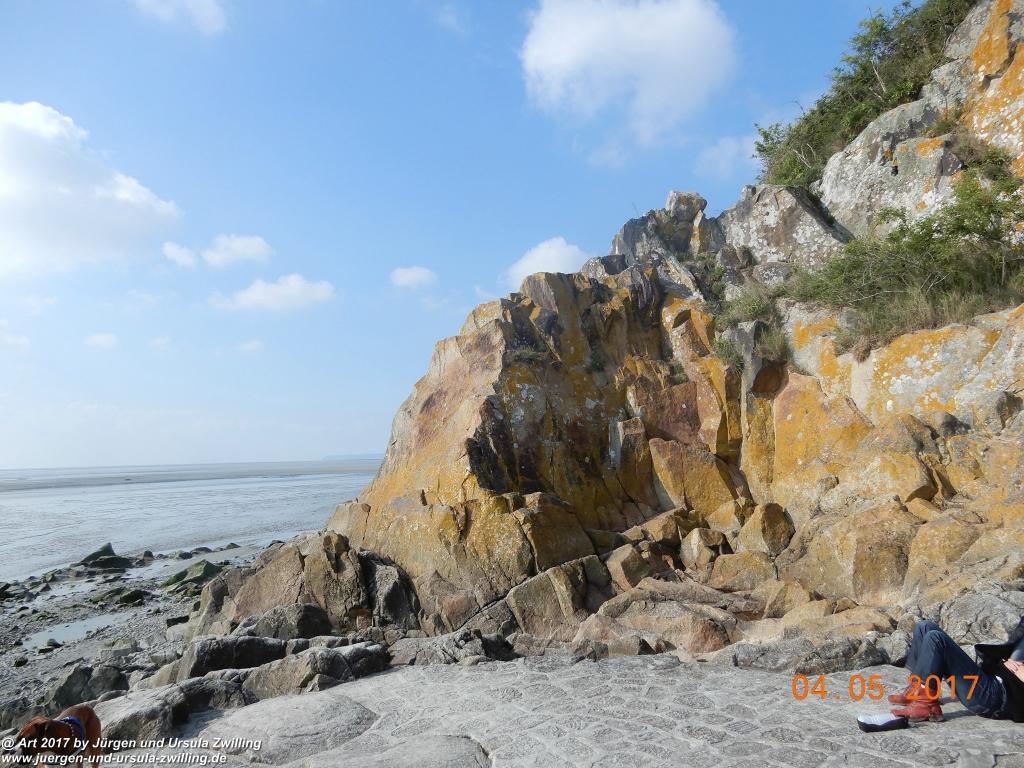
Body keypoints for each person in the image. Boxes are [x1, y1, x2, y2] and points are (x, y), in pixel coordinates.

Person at [888, 616, 1024, 722]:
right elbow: (1011, 650)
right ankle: (917, 689)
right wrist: (1004, 661)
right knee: (924, 627)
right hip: (990, 678)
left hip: (996, 697)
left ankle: (926, 705)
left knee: (936, 639)